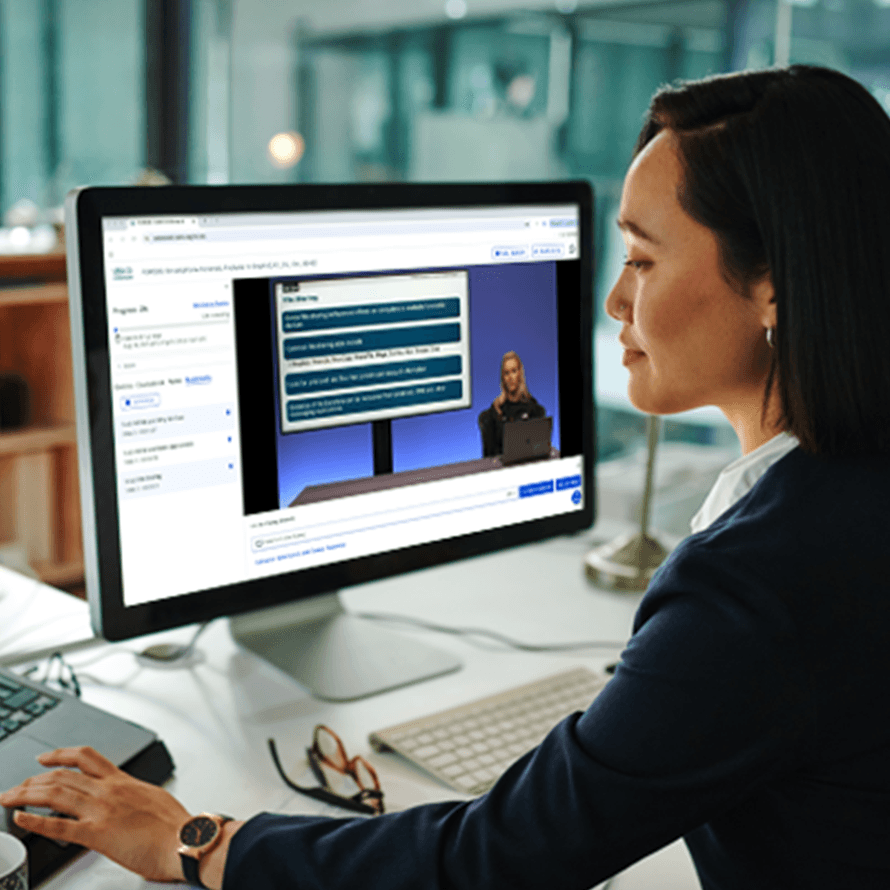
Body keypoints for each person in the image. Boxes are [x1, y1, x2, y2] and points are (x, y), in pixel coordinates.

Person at [4, 63, 890, 889]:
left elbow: (493, 860)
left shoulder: (761, 584)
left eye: (644, 259)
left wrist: (195, 841)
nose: (616, 300)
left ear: (773, 283)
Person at [478, 350, 546, 457]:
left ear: (520, 373)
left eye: (514, 371)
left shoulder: (533, 408)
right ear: (503, 378)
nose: (510, 378)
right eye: (506, 373)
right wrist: (496, 409)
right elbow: (489, 456)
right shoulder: (496, 410)